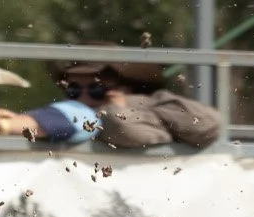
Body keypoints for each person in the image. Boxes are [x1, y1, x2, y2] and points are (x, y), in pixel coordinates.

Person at [52, 58, 224, 150]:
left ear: (125, 90)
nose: (83, 98)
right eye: (73, 90)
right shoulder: (67, 116)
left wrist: (117, 108)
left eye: (96, 89)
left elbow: (209, 125)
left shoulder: (154, 106)